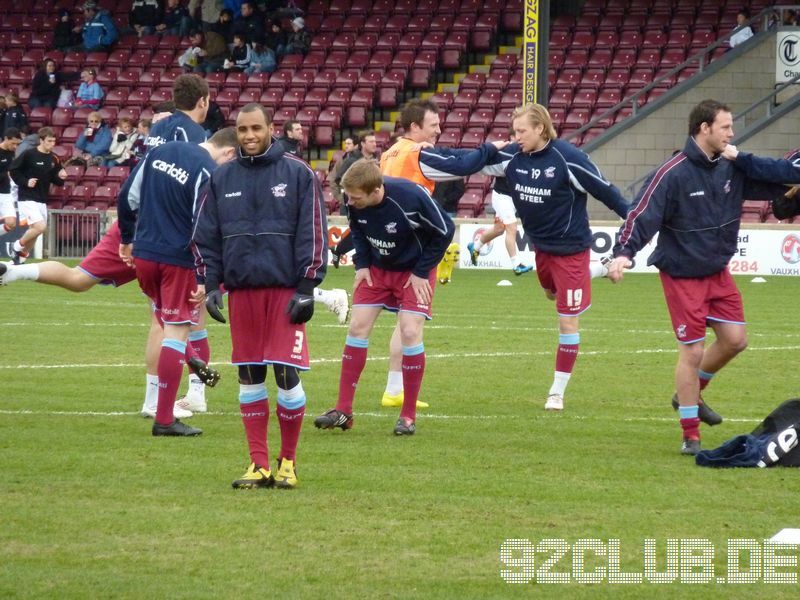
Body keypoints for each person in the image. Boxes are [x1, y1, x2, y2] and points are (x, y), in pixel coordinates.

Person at [607, 99, 800, 455]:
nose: (732, 133)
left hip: (717, 271)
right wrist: (623, 253)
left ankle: (688, 396)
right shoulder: (673, 172)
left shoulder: (733, 167)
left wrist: (750, 164)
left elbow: (784, 178)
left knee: (735, 340)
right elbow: (641, 215)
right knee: (693, 351)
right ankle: (690, 433)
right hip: (682, 274)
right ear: (704, 129)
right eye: (726, 127)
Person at [193, 103, 328, 488]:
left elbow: (313, 232)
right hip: (243, 293)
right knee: (249, 376)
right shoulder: (222, 178)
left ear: (270, 128)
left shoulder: (297, 173)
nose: (249, 136)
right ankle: (258, 464)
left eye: (256, 128)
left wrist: (307, 287)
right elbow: (206, 235)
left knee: (286, 374)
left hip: (286, 290)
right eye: (242, 130)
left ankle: (288, 462)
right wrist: (213, 283)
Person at [482, 103, 629, 413]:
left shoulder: (570, 160)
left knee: (567, 321)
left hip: (572, 249)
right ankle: (601, 270)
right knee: (551, 294)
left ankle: (556, 393)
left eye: (522, 131)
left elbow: (607, 191)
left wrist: (635, 220)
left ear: (540, 128)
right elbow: (471, 163)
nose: (516, 136)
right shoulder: (514, 156)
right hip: (542, 248)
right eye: (514, 131)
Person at [376, 97, 509, 409]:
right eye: (433, 126)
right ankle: (403, 394)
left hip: (393, 243)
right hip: (417, 245)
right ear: (414, 127)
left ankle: (393, 389)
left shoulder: (391, 152)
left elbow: (450, 155)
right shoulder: (418, 153)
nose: (438, 131)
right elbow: (459, 165)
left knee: (402, 322)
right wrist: (490, 149)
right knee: (413, 323)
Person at [314, 159, 455, 435]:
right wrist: (362, 264)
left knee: (410, 331)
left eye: (356, 198)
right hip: (377, 270)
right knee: (357, 326)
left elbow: (445, 230)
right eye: (349, 197)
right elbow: (356, 229)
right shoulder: (353, 198)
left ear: (376, 190)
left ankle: (408, 416)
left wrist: (421, 271)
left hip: (414, 271)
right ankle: (343, 410)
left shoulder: (411, 197)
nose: (350, 203)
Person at [118, 127, 239, 437]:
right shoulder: (208, 170)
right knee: (176, 331)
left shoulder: (161, 151)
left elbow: (127, 195)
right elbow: (205, 225)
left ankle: (190, 362)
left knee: (163, 319)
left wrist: (128, 239)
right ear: (228, 153)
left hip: (145, 254)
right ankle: (165, 418)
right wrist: (205, 276)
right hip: (178, 259)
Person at [467, 128, 533, 276]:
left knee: (499, 229)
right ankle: (516, 264)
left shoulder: (527, 153)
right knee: (511, 227)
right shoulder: (505, 154)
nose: (520, 139)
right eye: (517, 135)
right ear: (511, 137)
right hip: (502, 196)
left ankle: (475, 246)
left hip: (514, 198)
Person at [8, 127, 69, 264]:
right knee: (40, 227)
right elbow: (13, 170)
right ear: (41, 140)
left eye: (54, 141)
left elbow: (56, 180)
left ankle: (19, 260)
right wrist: (25, 181)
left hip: (42, 199)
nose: (52, 144)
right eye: (49, 141)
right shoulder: (29, 154)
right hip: (27, 198)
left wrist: (62, 177)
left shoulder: (54, 158)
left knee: (35, 231)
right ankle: (16, 246)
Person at [145, 74, 209, 152]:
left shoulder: (158, 125)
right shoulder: (192, 130)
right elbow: (191, 163)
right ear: (202, 102)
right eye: (208, 100)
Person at [0, 128, 23, 233]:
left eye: (17, 144)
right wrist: (6, 174)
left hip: (6, 193)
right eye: (13, 143)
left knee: (11, 223)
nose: (15, 146)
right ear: (5, 138)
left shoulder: (11, 153)